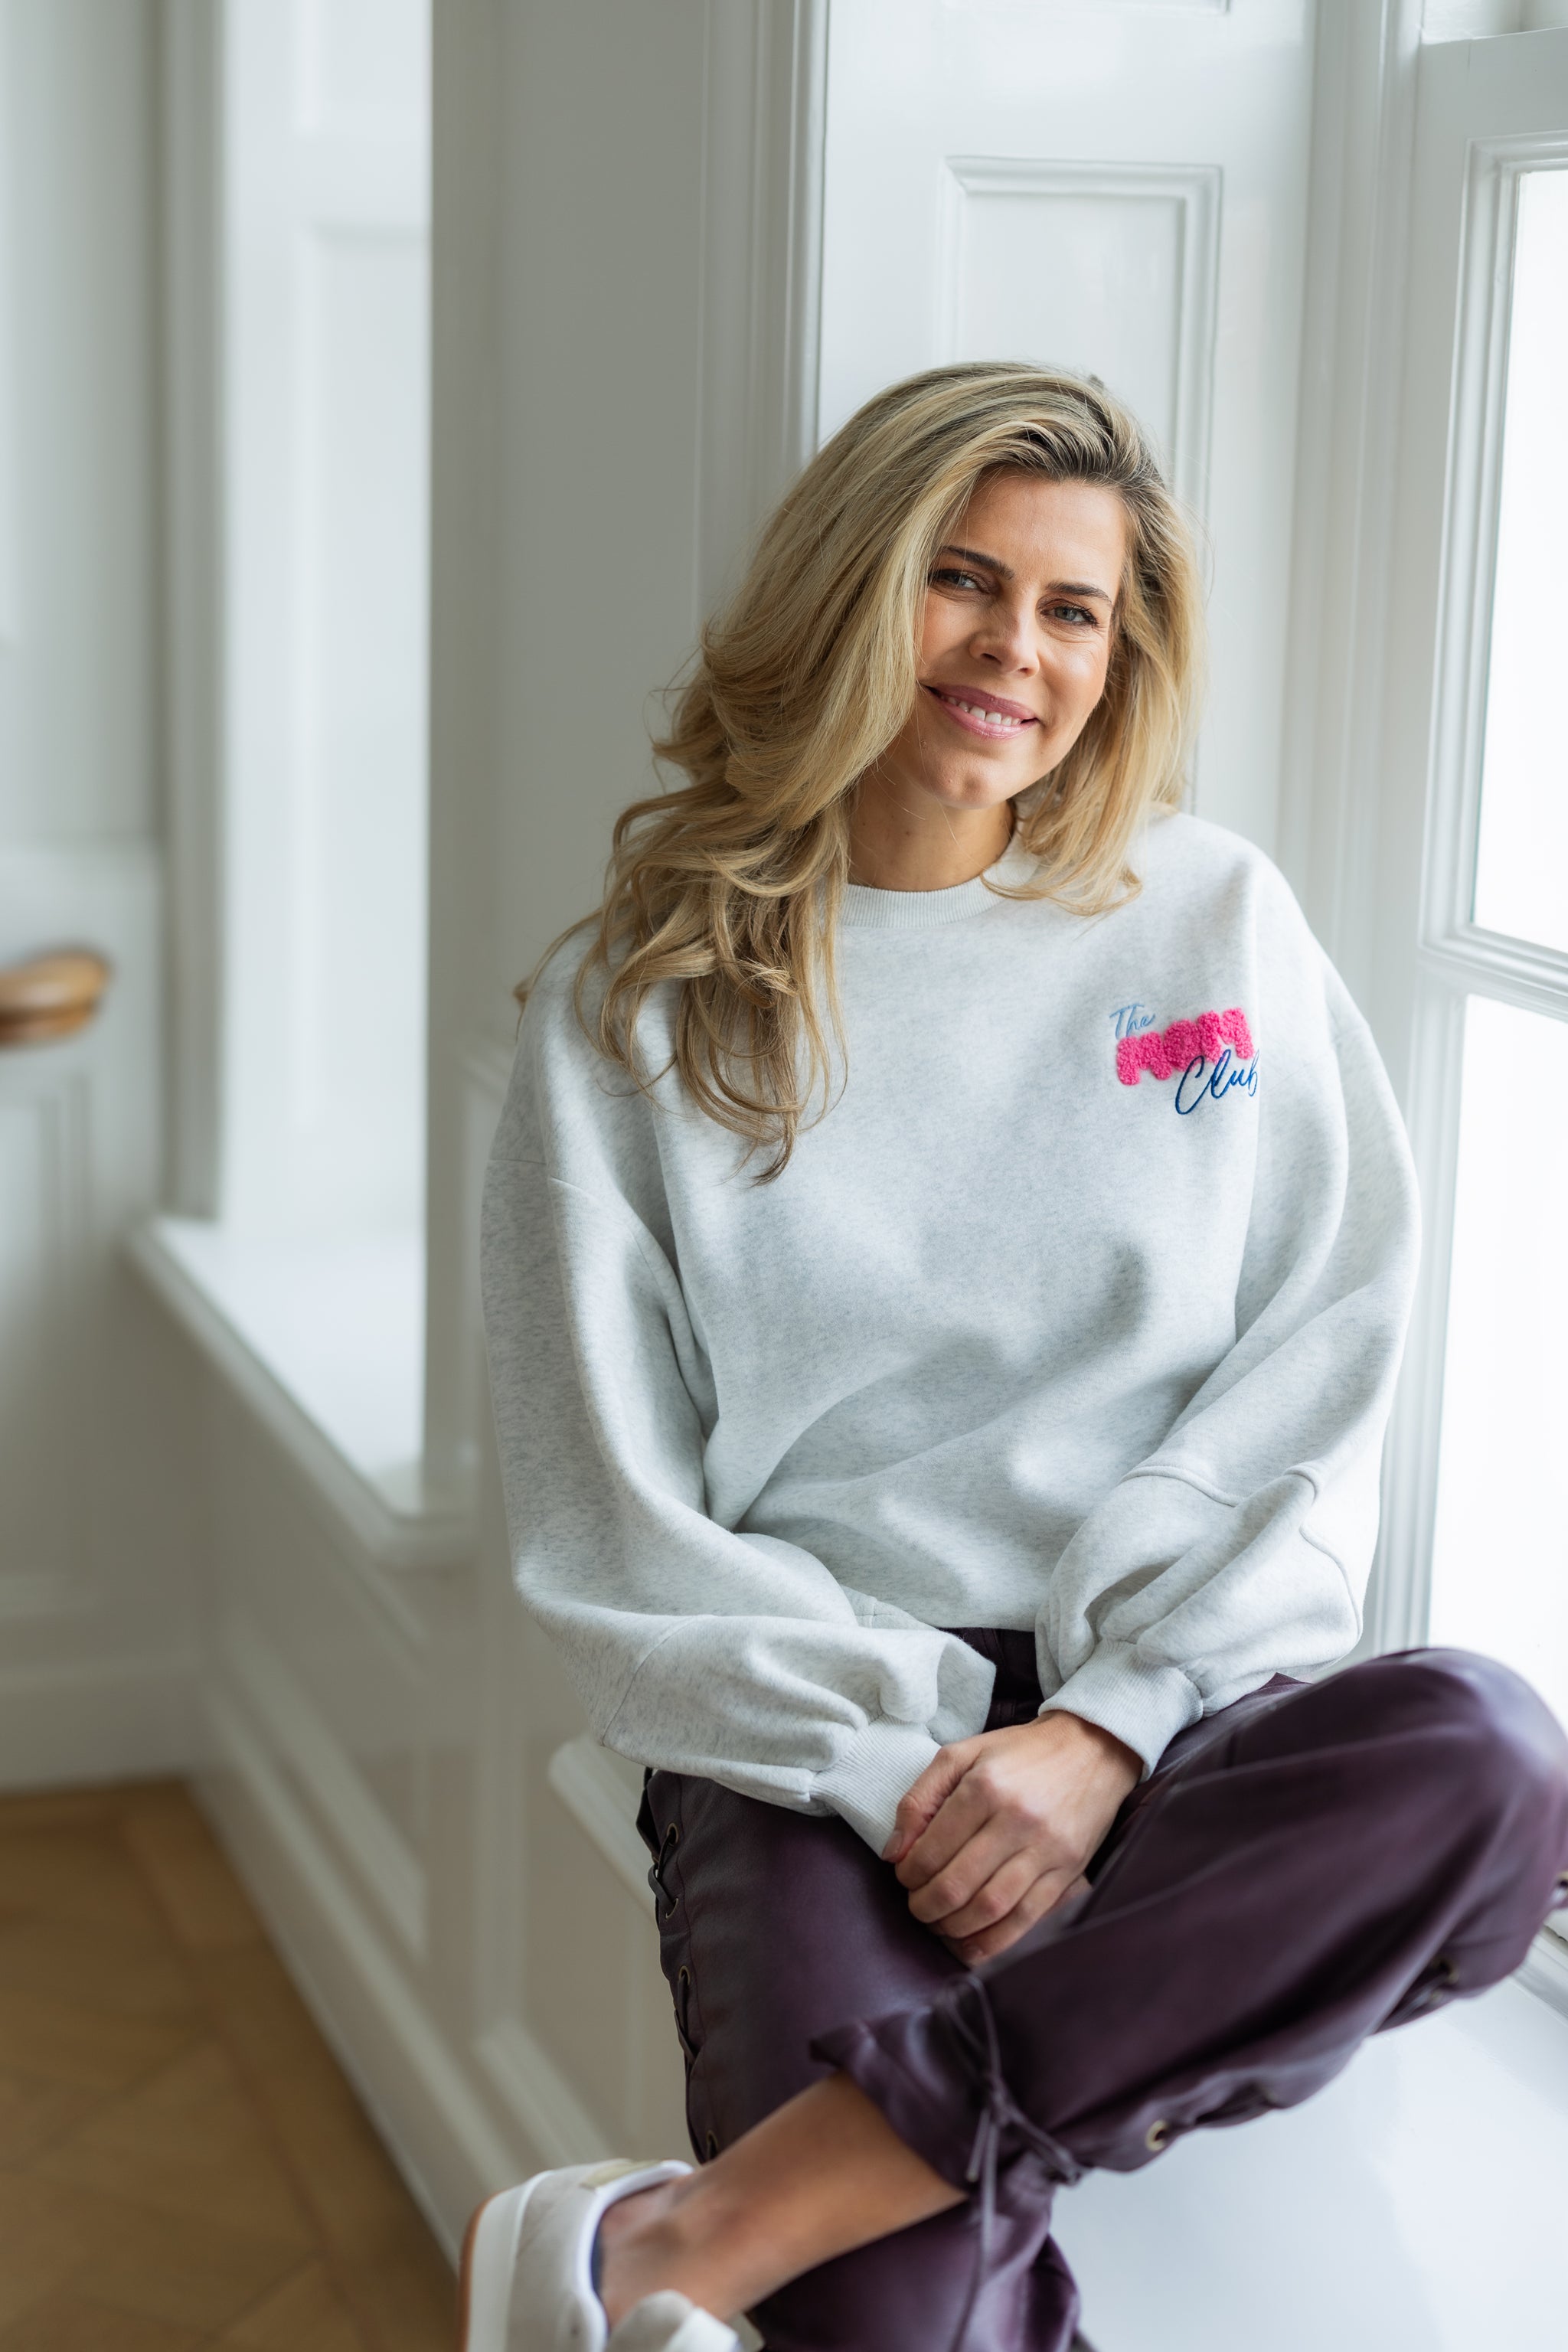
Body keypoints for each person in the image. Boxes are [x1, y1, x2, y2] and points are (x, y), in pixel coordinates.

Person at [469, 363, 1568, 2352]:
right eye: (960, 580)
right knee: (893, 2317)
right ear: (849, 589)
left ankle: (684, 2239)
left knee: (1490, 1764)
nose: (1016, 652)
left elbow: (1326, 1353)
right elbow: (605, 1518)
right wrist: (920, 1776)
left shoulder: (1212, 921)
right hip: (812, 1736)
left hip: (1176, 1697)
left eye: (1075, 609)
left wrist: (1109, 1732)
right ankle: (821, 2200)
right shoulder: (635, 1009)